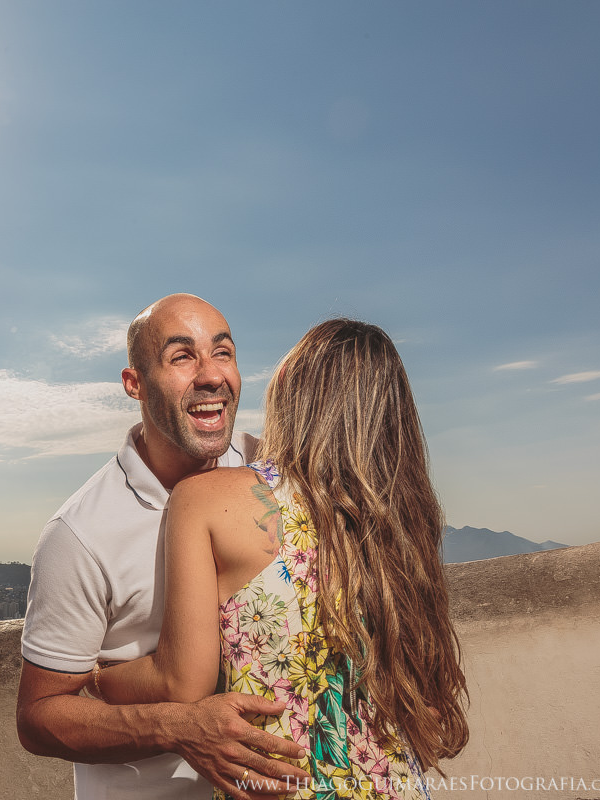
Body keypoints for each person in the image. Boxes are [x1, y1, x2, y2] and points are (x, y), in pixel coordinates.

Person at [90, 319, 470, 800]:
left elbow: (182, 680)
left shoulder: (205, 499)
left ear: (290, 388)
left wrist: (98, 678)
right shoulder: (403, 524)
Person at [16, 294, 309, 800]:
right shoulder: (80, 533)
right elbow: (38, 717)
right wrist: (178, 728)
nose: (211, 375)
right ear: (135, 384)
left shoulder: (276, 467)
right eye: (181, 357)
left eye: (223, 352)